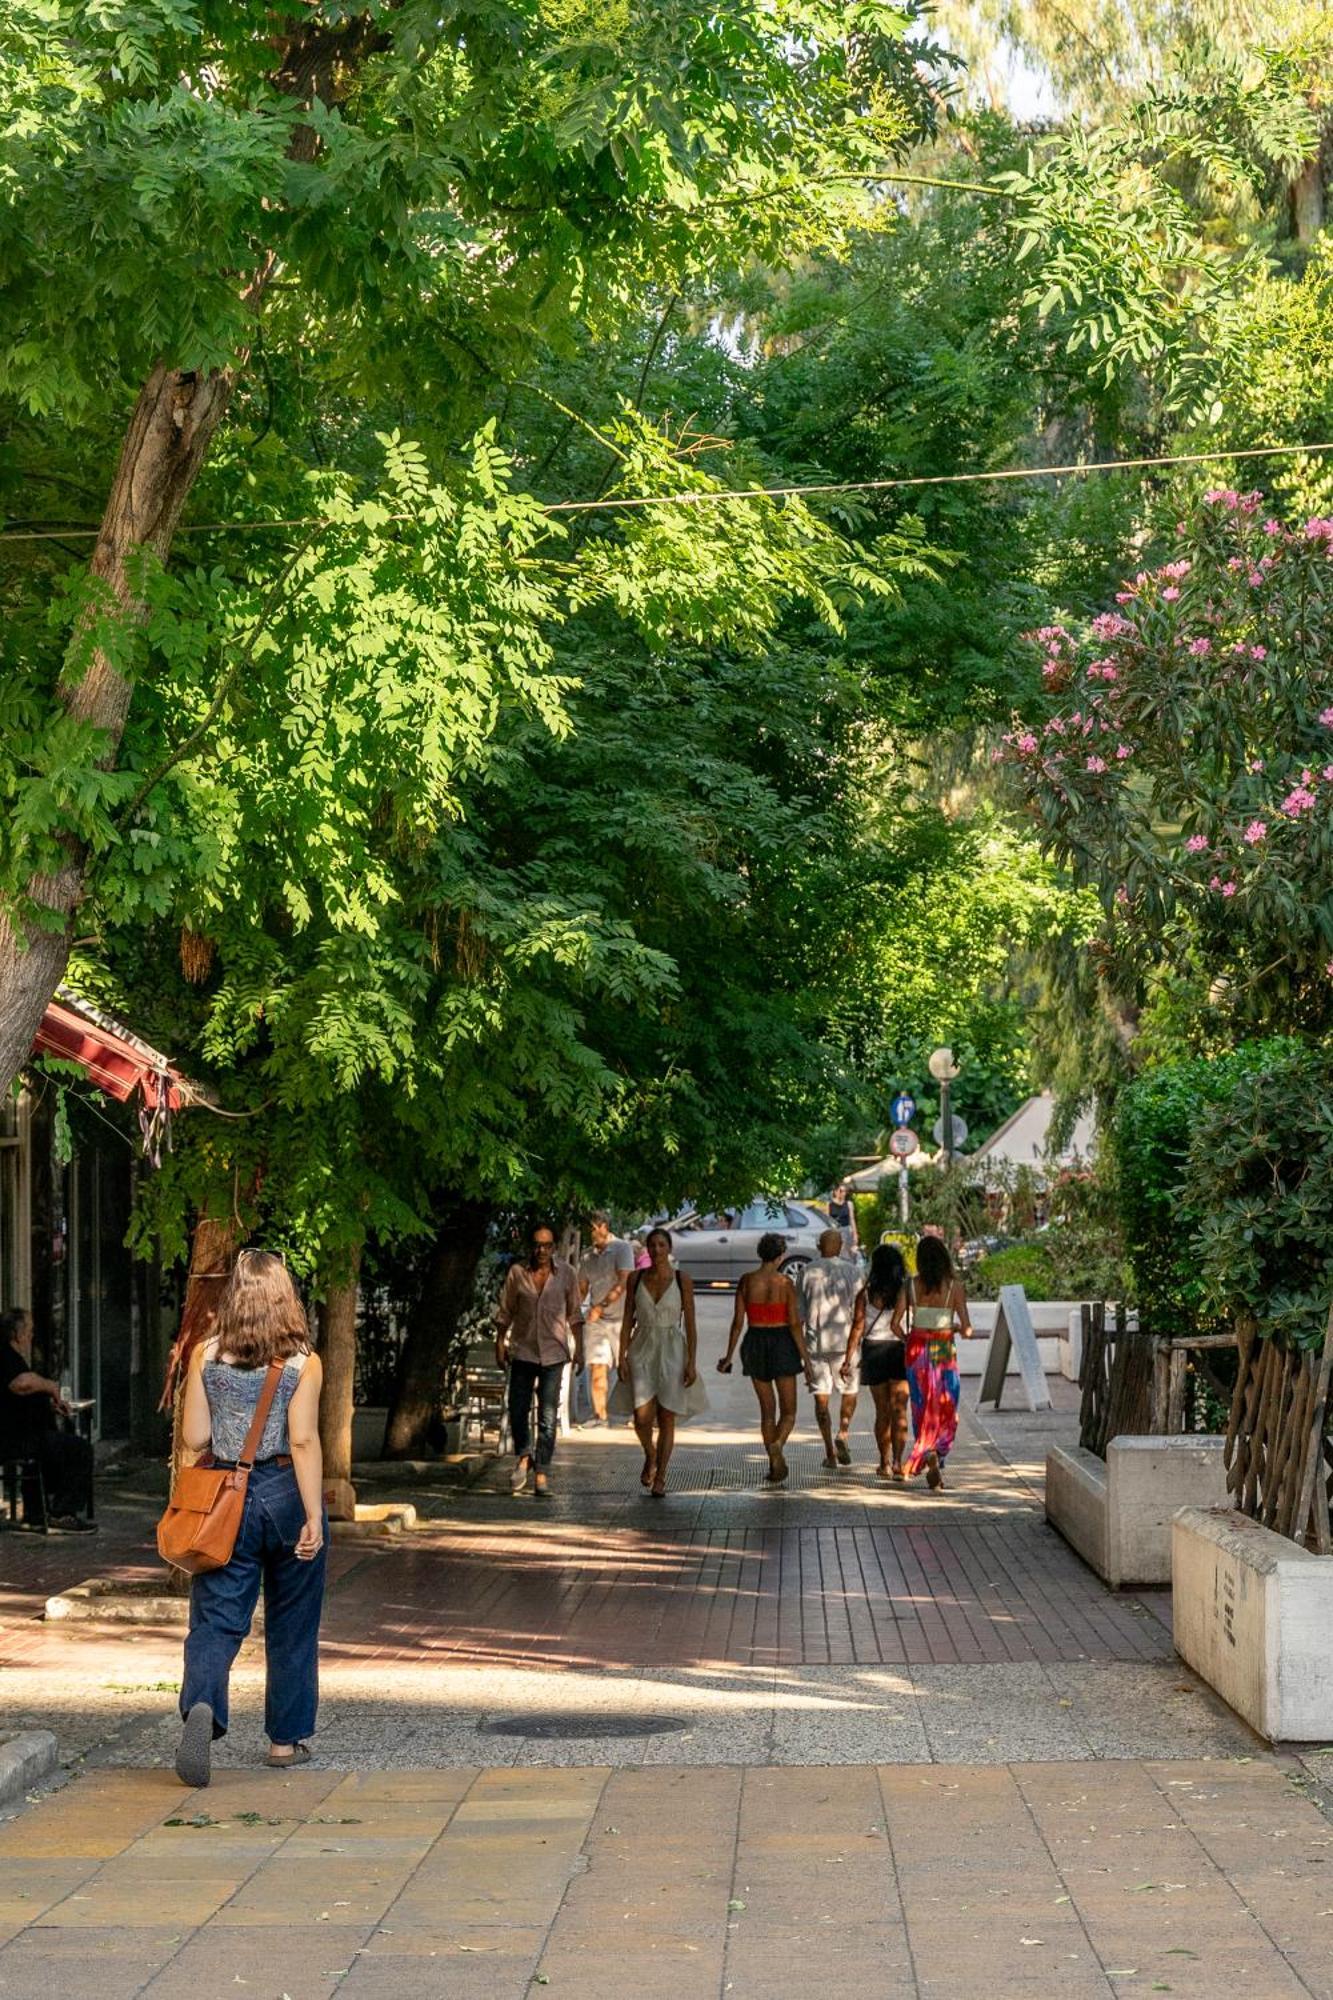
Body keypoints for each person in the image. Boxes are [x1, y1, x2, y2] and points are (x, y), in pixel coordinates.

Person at [175, 1250, 326, 1788]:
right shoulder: (303, 1360)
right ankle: (284, 1742)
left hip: (225, 1497)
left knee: (217, 1618)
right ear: (285, 1296)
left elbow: (195, 1438)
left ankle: (202, 1705)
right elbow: (304, 1440)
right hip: (285, 1488)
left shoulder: (205, 1354)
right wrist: (313, 1515)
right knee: (293, 1621)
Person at [495, 1221, 584, 1499]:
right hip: (523, 1350)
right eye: (537, 1244)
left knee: (547, 1415)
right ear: (531, 1246)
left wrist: (580, 1347)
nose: (541, 1250)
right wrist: (500, 1342)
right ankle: (524, 1456)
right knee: (518, 1407)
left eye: (547, 1245)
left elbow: (575, 1314)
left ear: (554, 1247)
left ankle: (542, 1471)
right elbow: (505, 1311)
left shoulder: (566, 1274)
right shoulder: (518, 1273)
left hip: (554, 1353)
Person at [718, 1233, 814, 1486]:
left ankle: (773, 1464)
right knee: (789, 1411)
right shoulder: (785, 1283)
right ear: (781, 1255)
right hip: (782, 1342)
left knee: (767, 1412)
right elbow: (794, 1324)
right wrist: (806, 1360)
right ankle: (777, 1445)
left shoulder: (747, 1281)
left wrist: (728, 1357)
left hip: (755, 1341)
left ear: (760, 1253)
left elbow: (738, 1323)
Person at [618, 1227, 705, 1497]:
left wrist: (692, 1361)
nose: (656, 1250)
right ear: (647, 1248)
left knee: (667, 1415)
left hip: (672, 1347)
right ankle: (650, 1453)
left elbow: (690, 1323)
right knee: (641, 1416)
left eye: (661, 1245)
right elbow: (626, 1319)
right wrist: (621, 1355)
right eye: (652, 1245)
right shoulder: (636, 1278)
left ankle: (662, 1476)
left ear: (669, 1248)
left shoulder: (682, 1279)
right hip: (642, 1345)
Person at [0, 1307, 95, 1530]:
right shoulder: (5, 1356)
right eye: (30, 1331)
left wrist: (49, 1405)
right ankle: (62, 1511)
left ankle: (35, 1512)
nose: (32, 1336)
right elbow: (20, 1384)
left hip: (23, 1435)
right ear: (17, 1334)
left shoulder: (13, 1357)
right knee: (79, 1449)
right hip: (13, 1439)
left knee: (51, 1447)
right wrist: (50, 1386)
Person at [899, 1233, 973, 1490]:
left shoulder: (910, 1286)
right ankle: (936, 1452)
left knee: (921, 1404)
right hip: (942, 1349)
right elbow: (967, 1329)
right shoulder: (954, 1287)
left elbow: (894, 1324)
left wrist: (908, 1336)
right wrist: (952, 1328)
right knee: (945, 1405)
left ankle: (926, 1448)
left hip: (916, 1349)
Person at [841, 1244, 911, 1480]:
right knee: (900, 1410)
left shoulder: (867, 1293)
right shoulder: (904, 1291)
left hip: (873, 1352)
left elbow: (858, 1327)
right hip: (899, 1350)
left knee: (882, 1412)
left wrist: (848, 1358)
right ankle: (900, 1464)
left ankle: (884, 1463)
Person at [798, 1229, 864, 1468]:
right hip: (846, 1343)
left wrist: (802, 1356)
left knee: (821, 1400)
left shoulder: (806, 1272)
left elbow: (800, 1316)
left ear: (818, 1245)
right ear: (841, 1246)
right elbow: (860, 1315)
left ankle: (829, 1453)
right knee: (850, 1390)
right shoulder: (854, 1272)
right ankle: (843, 1432)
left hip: (816, 1345)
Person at [578, 1212, 635, 1427]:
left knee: (626, 1367)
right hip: (597, 1320)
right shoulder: (586, 1256)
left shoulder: (622, 1248)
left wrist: (601, 1307)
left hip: (620, 1318)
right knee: (597, 1366)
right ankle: (600, 1416)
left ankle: (636, 1412)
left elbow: (624, 1281)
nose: (590, 1233)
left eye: (592, 1228)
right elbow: (582, 1288)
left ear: (603, 1226)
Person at [826, 1182, 859, 1263]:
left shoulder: (849, 1204)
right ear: (835, 1191)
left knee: (850, 1255)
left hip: (847, 1230)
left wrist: (855, 1234)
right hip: (835, 1232)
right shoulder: (829, 1204)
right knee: (838, 1254)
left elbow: (852, 1219)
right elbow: (827, 1220)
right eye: (841, 1191)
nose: (843, 1193)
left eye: (845, 1191)